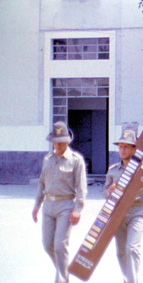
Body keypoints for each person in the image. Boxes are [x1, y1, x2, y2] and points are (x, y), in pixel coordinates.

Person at [32, 121, 87, 283]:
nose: (56, 144)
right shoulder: (47, 159)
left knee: (60, 245)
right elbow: (42, 183)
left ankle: (62, 280)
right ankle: (64, 271)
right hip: (48, 206)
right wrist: (37, 205)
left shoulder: (76, 160)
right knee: (48, 244)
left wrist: (78, 208)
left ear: (68, 141)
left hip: (66, 206)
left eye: (60, 141)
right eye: (54, 141)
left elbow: (81, 188)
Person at [103, 128, 143, 283]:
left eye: (126, 146)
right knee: (121, 252)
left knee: (132, 248)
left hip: (137, 212)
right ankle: (127, 279)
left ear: (135, 148)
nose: (122, 150)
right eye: (120, 146)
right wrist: (110, 190)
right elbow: (104, 193)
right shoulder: (113, 170)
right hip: (118, 213)